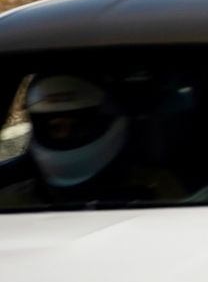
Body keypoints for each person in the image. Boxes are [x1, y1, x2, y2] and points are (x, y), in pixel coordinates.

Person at [0, 74, 186, 208]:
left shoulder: (157, 188)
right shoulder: (11, 201)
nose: (65, 136)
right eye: (54, 128)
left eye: (77, 127)